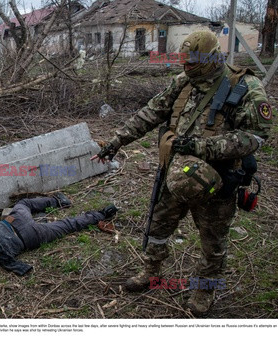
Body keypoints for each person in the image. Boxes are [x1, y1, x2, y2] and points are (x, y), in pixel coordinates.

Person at [91, 31, 272, 315]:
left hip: (217, 179)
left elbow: (257, 136)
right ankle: (152, 272)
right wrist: (116, 142)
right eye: (185, 63)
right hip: (175, 174)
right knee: (158, 227)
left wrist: (203, 146)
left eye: (193, 63)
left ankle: (204, 289)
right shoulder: (183, 83)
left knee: (213, 241)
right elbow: (150, 113)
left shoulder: (245, 86)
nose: (187, 68)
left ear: (212, 59)